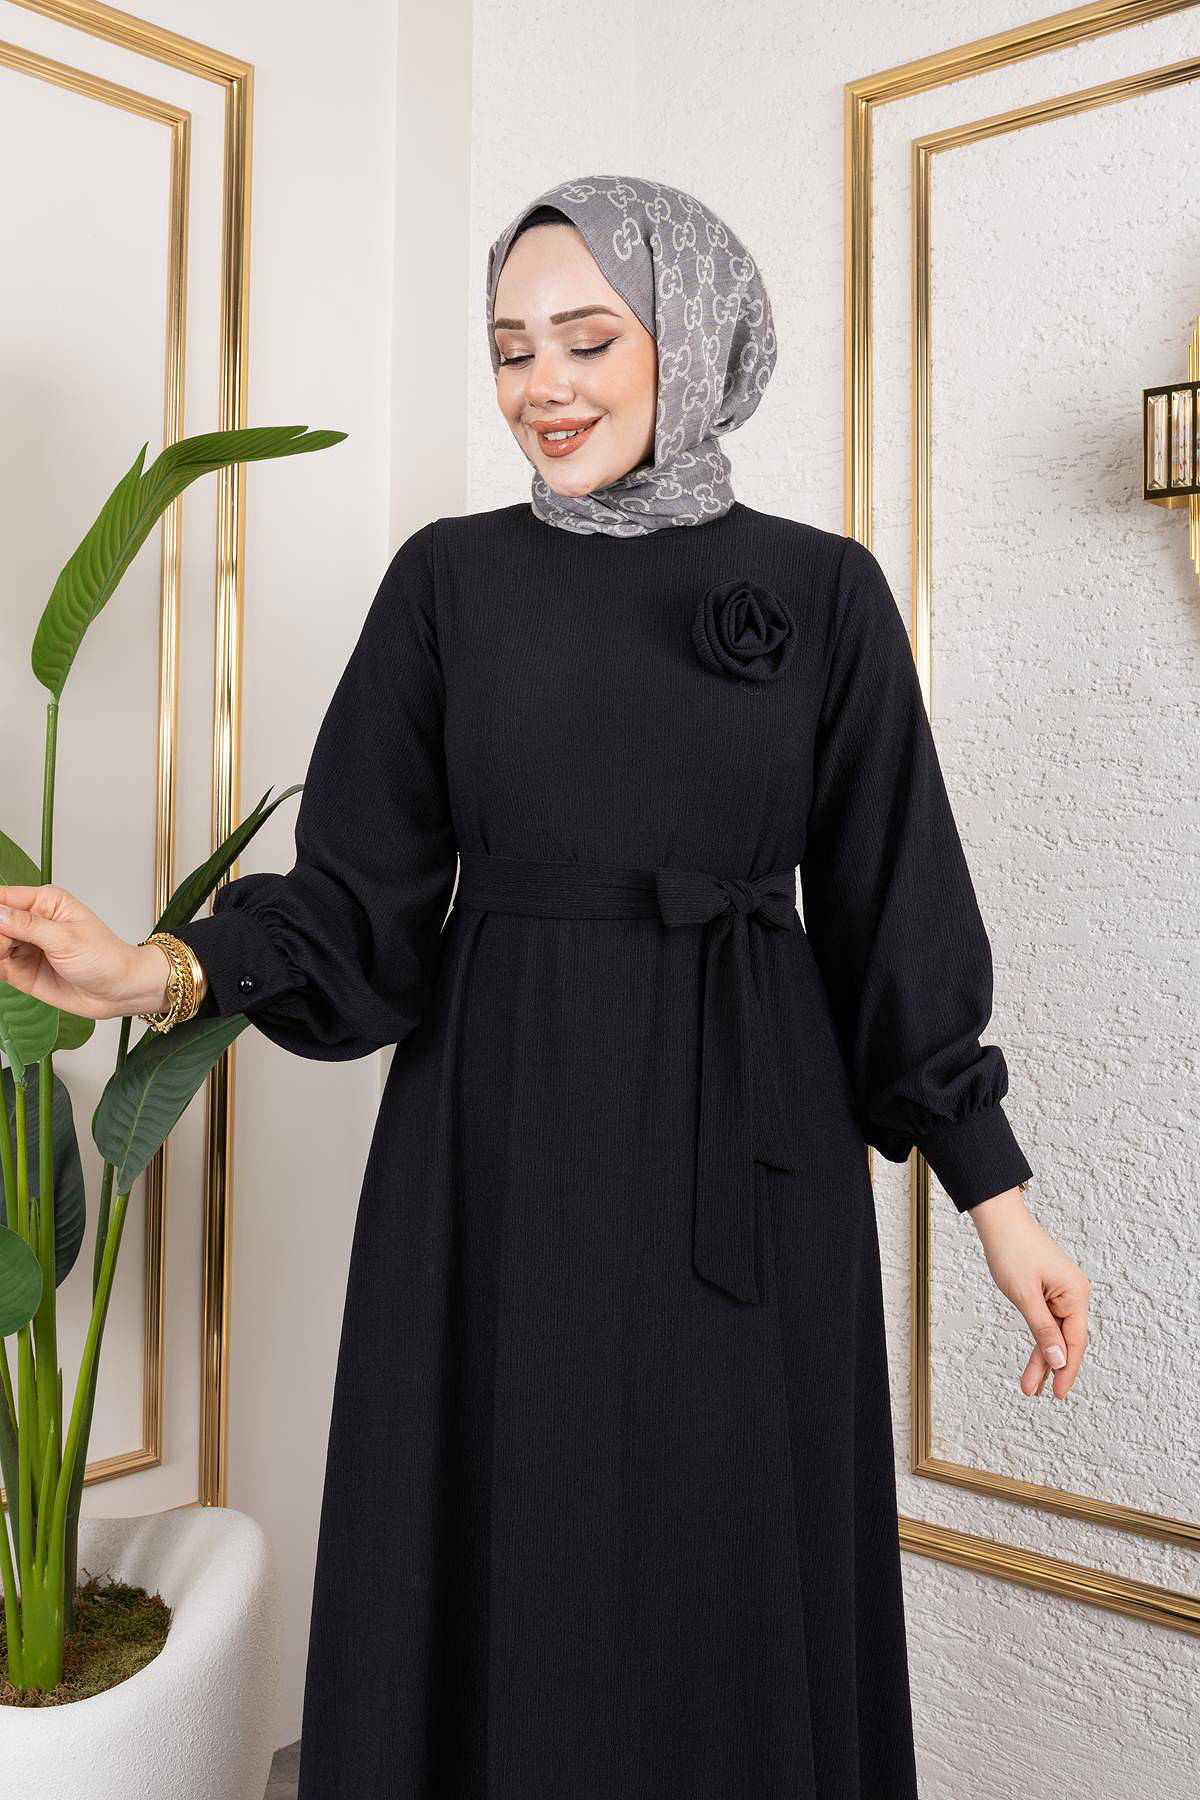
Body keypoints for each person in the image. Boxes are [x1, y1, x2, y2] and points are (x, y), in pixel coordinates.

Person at [0, 172, 1090, 1796]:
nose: (544, 387)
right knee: (515, 1535)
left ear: (690, 342)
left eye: (588, 339)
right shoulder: (449, 583)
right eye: (512, 349)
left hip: (750, 1158)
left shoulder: (826, 592)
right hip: (497, 1149)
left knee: (726, 1555)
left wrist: (1002, 1208)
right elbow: (360, 907)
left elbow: (899, 917)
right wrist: (146, 968)